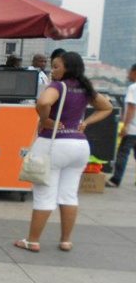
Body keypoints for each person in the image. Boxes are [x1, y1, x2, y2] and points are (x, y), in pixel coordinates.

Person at [14, 52, 112, 252]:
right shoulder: (85, 88)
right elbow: (107, 107)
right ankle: (66, 240)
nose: (53, 70)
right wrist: (85, 123)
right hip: (79, 146)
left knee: (44, 196)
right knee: (69, 195)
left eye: (57, 66)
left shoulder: (58, 86)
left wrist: (45, 120)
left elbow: (42, 102)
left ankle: (33, 241)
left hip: (54, 144)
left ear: (68, 68)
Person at [106, 63, 136, 187]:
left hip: (132, 128)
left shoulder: (133, 88)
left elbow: (131, 108)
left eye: (130, 71)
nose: (128, 74)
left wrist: (125, 125)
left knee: (122, 153)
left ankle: (116, 179)